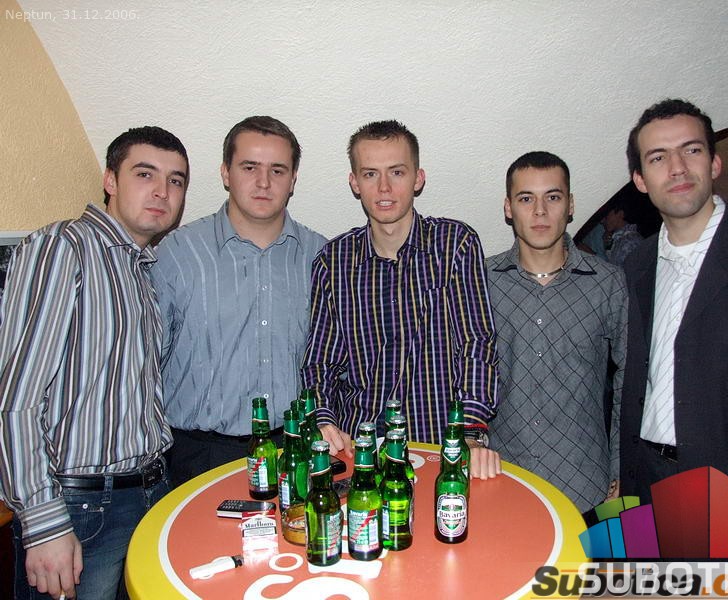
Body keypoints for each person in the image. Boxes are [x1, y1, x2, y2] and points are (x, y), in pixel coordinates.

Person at [0, 126, 188, 599]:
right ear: (110, 180)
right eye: (145, 174)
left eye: (176, 180)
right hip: (79, 507)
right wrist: (43, 522)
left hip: (149, 491)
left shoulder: (140, 268)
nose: (162, 191)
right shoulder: (62, 248)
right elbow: (14, 399)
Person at [620, 98, 728, 560]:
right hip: (649, 490)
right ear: (640, 180)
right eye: (658, 157)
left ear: (715, 163)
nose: (677, 167)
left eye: (691, 150)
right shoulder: (634, 267)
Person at [301, 120, 501, 478]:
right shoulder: (333, 261)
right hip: (361, 450)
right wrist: (324, 421)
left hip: (441, 447)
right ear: (354, 183)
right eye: (370, 174)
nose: (384, 187)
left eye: (397, 172)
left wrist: (471, 433)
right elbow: (320, 363)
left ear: (418, 179)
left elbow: (477, 343)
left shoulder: (455, 245)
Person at [152, 116, 326, 487]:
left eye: (277, 170)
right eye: (249, 167)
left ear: (293, 179)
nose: (264, 182)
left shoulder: (322, 257)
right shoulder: (178, 253)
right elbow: (146, 363)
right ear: (226, 173)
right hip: (198, 455)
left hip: (296, 451)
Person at [486, 151, 627, 513]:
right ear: (508, 208)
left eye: (552, 196)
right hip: (503, 479)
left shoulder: (608, 283)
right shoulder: (480, 283)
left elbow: (629, 381)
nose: (540, 211)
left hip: (586, 485)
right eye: (526, 198)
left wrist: (620, 466)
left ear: (570, 205)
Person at [602, 195, 643, 266]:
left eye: (606, 216)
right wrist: (607, 248)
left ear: (620, 214)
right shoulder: (619, 238)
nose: (602, 221)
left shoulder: (630, 241)